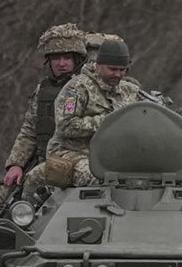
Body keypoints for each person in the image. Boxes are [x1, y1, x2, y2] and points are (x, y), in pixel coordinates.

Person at [22, 39, 140, 199]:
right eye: (112, 69)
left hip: (115, 155)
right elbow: (66, 126)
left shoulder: (129, 90)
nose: (117, 74)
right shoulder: (77, 89)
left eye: (122, 70)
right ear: (98, 65)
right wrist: (109, 122)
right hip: (74, 153)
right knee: (99, 178)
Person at [2, 23, 86, 190]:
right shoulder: (43, 90)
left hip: (77, 164)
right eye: (56, 58)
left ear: (77, 60)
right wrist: (16, 164)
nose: (61, 63)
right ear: (49, 61)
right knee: (3, 197)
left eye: (67, 58)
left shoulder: (89, 89)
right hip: (44, 163)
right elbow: (29, 130)